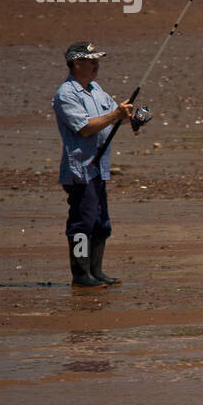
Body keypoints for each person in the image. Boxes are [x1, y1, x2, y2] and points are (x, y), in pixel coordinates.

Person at [53, 42, 133, 287]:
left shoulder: (96, 89)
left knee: (100, 222)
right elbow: (86, 127)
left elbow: (113, 117)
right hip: (80, 169)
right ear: (77, 63)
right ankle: (80, 274)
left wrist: (133, 117)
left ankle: (96, 271)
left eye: (97, 60)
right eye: (92, 61)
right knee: (82, 223)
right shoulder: (66, 94)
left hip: (99, 168)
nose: (97, 65)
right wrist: (115, 115)